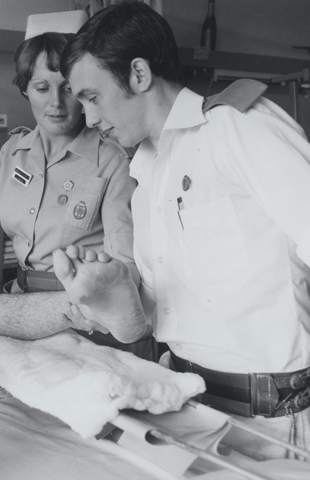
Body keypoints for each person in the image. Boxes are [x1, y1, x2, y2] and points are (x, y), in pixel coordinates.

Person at [58, 0, 310, 459]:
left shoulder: (237, 128)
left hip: (271, 421)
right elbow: (161, 316)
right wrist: (115, 300)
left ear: (138, 74)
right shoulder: (147, 174)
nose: (89, 119)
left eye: (92, 98)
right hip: (188, 406)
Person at [0, 30, 152, 357]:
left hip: (85, 315)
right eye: (42, 88)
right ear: (25, 89)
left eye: (68, 89)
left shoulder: (113, 162)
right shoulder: (13, 152)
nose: (56, 103)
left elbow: (125, 269)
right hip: (20, 307)